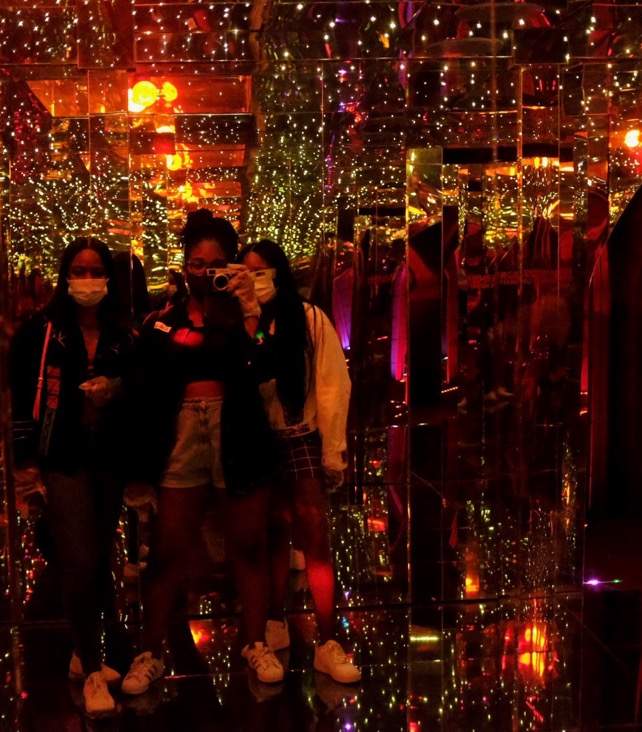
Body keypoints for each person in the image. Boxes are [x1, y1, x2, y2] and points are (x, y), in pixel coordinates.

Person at [121, 210, 283, 694]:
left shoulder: (244, 317)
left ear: (231, 266)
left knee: (248, 544)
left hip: (239, 431)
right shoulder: (163, 321)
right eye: (197, 264)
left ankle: (255, 642)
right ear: (184, 266)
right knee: (168, 549)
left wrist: (250, 310)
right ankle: (150, 651)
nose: (206, 273)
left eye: (216, 265)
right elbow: (146, 385)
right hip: (183, 434)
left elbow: (265, 362)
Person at [10, 238, 134, 717]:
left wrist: (115, 389)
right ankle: (95, 664)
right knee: (78, 560)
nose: (87, 280)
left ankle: (92, 650)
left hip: (110, 456)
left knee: (99, 556)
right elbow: (23, 399)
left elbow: (141, 387)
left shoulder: (122, 333)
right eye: (79, 271)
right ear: (66, 276)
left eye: (95, 270)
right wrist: (25, 462)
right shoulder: (41, 333)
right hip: (62, 457)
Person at [240, 239, 361, 684]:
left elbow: (332, 383)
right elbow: (250, 364)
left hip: (300, 434)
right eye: (246, 272)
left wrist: (333, 449)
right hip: (257, 439)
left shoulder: (308, 318)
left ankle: (327, 638)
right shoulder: (244, 323)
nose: (255, 280)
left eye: (261, 271)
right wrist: (250, 320)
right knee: (270, 533)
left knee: (314, 533)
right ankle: (274, 619)